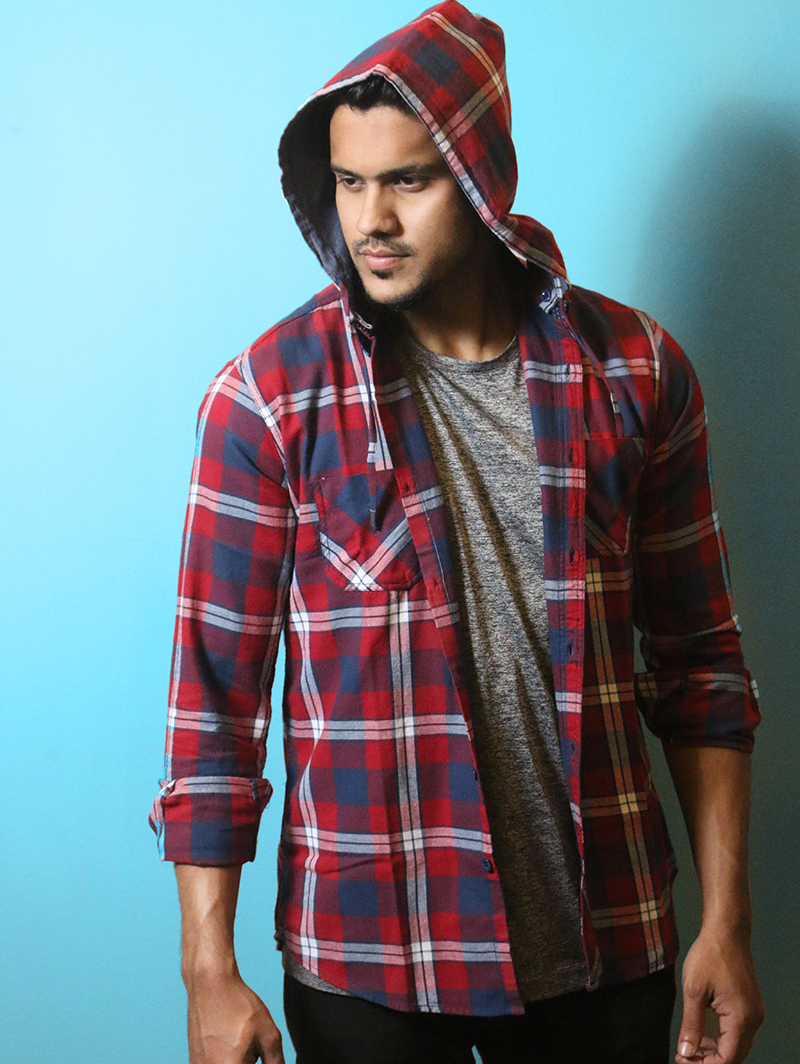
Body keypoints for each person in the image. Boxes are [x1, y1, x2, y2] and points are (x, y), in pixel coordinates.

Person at [150, 4, 764, 1062]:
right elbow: (212, 703)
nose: (371, 220)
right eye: (349, 183)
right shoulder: (266, 400)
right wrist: (208, 969)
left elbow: (701, 664)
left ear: (481, 177)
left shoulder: (637, 371)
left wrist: (727, 921)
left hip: (607, 944)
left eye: (408, 180)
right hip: (370, 962)